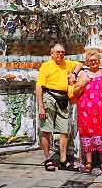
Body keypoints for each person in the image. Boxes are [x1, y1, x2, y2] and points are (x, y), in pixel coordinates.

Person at [36, 43, 83, 171]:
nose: (61, 54)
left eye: (63, 52)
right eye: (58, 52)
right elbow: (39, 87)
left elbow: (80, 64)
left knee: (64, 131)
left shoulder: (66, 63)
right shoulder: (46, 66)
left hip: (63, 98)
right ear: (51, 53)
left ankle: (63, 160)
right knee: (46, 129)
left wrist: (73, 73)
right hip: (49, 97)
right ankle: (47, 159)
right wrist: (40, 106)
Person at [72, 49, 102, 173]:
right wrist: (83, 83)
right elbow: (76, 92)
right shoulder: (84, 74)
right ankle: (89, 162)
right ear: (87, 62)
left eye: (95, 60)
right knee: (88, 133)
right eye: (90, 61)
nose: (93, 62)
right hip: (87, 110)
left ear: (99, 61)